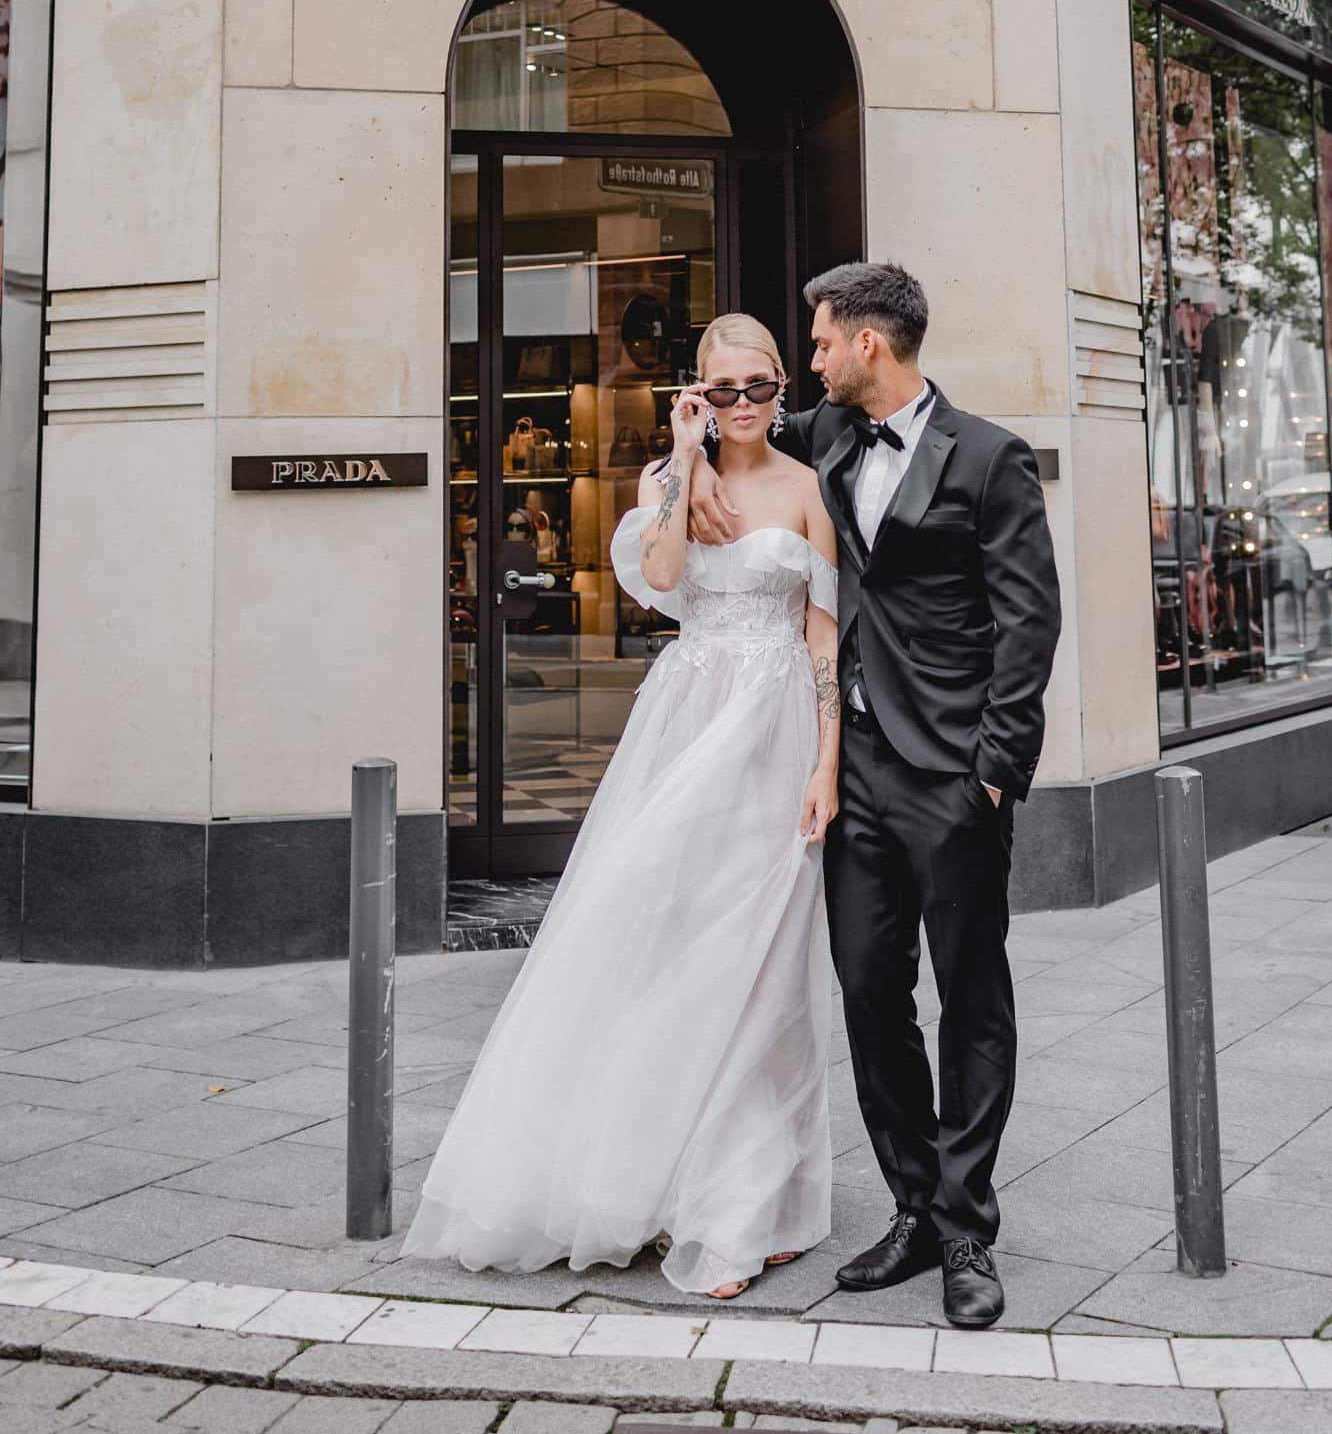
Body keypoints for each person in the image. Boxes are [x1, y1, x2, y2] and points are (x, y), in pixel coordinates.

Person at [405, 313, 841, 1302]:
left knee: (768, 962)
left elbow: (823, 635)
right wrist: (683, 460)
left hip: (776, 728)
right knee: (669, 936)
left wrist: (826, 762)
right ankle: (659, 1177)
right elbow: (662, 578)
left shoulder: (808, 489)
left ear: (782, 388)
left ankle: (755, 1200)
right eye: (721, 389)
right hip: (688, 722)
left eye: (758, 386)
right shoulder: (664, 481)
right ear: (697, 393)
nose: (741, 404)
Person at [686, 262, 1061, 1330]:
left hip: (952, 775)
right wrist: (689, 439)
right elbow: (740, 415)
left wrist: (995, 769)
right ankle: (912, 1207)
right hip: (850, 768)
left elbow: (1029, 621)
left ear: (867, 343)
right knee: (866, 988)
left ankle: (966, 1230)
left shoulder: (988, 456)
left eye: (818, 343)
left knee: (971, 997)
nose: (806, 362)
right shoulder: (829, 436)